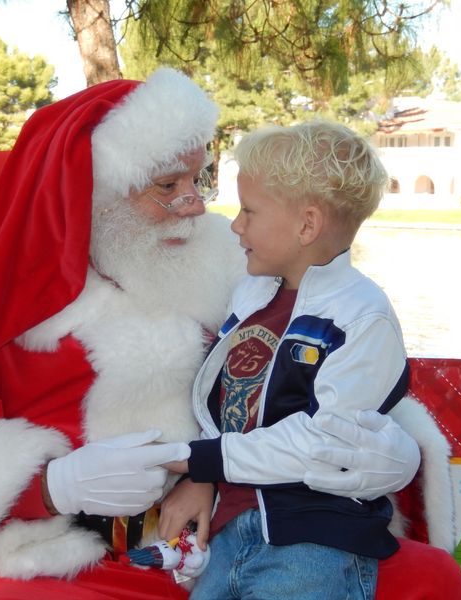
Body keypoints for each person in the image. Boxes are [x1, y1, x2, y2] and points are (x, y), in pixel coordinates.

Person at [0, 68, 461, 599]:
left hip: (245, 533)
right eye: (166, 185)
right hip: (83, 564)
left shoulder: (238, 265)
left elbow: (324, 369)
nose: (194, 204)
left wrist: (369, 446)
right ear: (96, 194)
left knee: (430, 580)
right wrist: (53, 486)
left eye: (199, 178)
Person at [157, 121, 411, 599]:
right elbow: (227, 410)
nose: (235, 225)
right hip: (232, 533)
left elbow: (326, 441)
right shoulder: (253, 292)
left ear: (306, 225)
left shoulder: (361, 317)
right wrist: (202, 475)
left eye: (249, 211)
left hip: (313, 543)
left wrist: (204, 460)